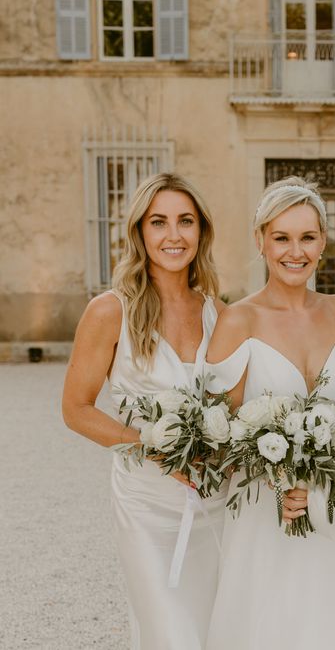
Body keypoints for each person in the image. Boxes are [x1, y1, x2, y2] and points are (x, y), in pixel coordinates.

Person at [204, 178, 335, 650]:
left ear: (324, 241)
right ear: (260, 239)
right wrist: (276, 478)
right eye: (281, 237)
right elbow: (218, 431)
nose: (295, 250)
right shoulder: (237, 319)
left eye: (307, 237)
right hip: (267, 510)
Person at [62, 173, 227, 649]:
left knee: (211, 628)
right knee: (170, 633)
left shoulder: (218, 311)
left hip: (213, 498)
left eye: (185, 222)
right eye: (159, 223)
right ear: (139, 232)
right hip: (146, 502)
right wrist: (153, 448)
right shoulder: (109, 310)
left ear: (201, 232)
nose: (173, 235)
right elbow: (75, 408)